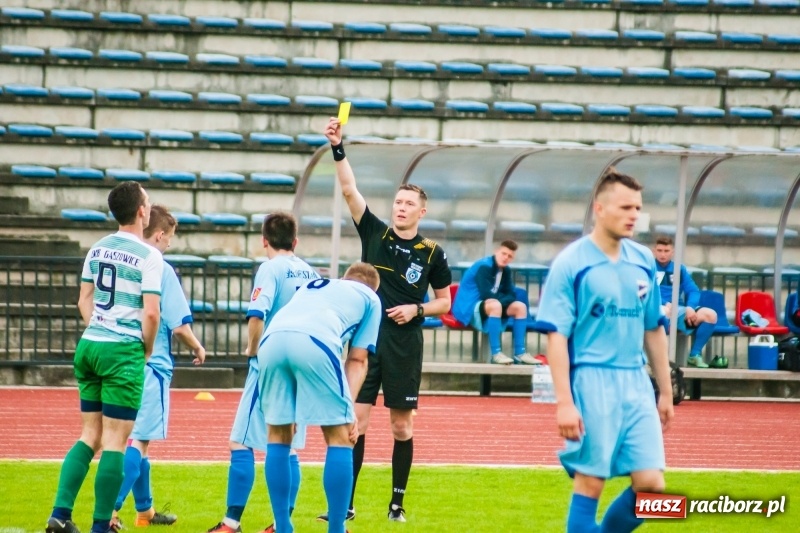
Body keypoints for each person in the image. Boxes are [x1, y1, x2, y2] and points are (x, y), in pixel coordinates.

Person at [321, 117, 452, 523]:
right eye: (397, 201)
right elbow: (348, 189)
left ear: (421, 211)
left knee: (400, 426)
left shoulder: (432, 253)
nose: (400, 207)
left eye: (409, 203)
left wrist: (417, 309)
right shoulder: (375, 233)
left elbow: (445, 303)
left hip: (405, 344)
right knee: (354, 422)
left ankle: (397, 503)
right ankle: (347, 503)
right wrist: (337, 147)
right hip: (367, 342)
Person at [536, 169, 674, 533]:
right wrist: (564, 401)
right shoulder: (572, 263)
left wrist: (666, 391)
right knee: (591, 482)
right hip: (591, 381)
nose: (634, 215)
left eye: (638, 208)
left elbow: (653, 328)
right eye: (625, 207)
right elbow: (557, 337)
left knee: (654, 490)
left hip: (636, 382)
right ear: (600, 208)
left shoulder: (643, 260)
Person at [46, 182, 162, 533]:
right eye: (147, 200)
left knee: (89, 435)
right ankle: (100, 526)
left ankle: (60, 514)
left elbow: (84, 299)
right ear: (142, 211)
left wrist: (100, 326)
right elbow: (152, 313)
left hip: (91, 343)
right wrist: (146, 348)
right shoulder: (149, 255)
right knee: (115, 441)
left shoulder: (97, 248)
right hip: (122, 349)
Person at [207, 212, 319, 533]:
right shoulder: (309, 270)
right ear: (295, 241)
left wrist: (252, 348)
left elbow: (257, 313)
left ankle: (231, 523)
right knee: (289, 445)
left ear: (264, 240)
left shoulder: (270, 268)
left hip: (270, 362)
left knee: (240, 443)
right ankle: (281, 523)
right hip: (300, 362)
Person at [260, 262, 383, 533]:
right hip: (315, 342)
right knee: (340, 436)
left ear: (345, 278)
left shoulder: (314, 286)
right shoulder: (371, 298)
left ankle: (282, 527)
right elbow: (358, 359)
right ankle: (337, 528)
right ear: (373, 287)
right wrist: (348, 410)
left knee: (278, 435)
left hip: (270, 342)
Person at [111, 205, 206, 528]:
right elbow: (178, 325)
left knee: (137, 437)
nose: (168, 247)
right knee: (140, 440)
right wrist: (197, 346)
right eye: (169, 241)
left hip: (122, 360)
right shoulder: (159, 267)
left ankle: (145, 511)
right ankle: (111, 510)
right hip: (153, 364)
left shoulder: (126, 260)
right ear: (161, 234)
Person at [451, 240, 539, 365]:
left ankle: (520, 353)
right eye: (504, 253)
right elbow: (486, 294)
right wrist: (502, 299)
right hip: (469, 307)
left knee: (520, 307)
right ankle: (496, 354)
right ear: (496, 251)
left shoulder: (506, 270)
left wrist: (502, 299)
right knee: (496, 305)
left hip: (489, 305)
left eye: (510, 256)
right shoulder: (484, 266)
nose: (505, 258)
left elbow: (510, 293)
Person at [653, 235, 717, 368]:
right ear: (654, 251)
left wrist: (690, 307)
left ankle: (694, 355)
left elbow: (693, 290)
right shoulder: (649, 268)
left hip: (678, 310)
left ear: (672, 252)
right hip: (657, 308)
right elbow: (645, 291)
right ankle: (657, 362)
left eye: (666, 251)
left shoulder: (679, 269)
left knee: (710, 315)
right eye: (659, 250)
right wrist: (664, 303)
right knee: (663, 312)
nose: (662, 254)